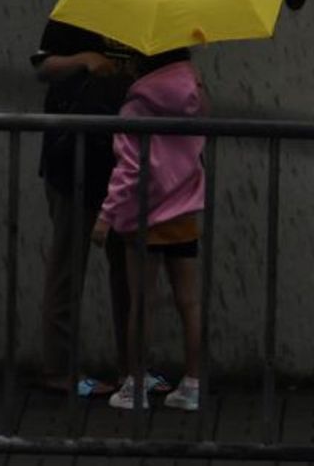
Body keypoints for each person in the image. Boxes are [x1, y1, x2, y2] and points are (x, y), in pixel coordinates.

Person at [91, 48, 208, 411]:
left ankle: (135, 386)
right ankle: (192, 384)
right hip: (184, 212)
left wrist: (105, 216)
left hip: (144, 217)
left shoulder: (135, 106)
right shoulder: (197, 97)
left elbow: (129, 169)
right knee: (189, 303)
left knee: (141, 303)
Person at [32, 21, 134, 397]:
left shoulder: (149, 12)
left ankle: (131, 366)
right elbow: (43, 67)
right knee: (68, 267)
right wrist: (84, 60)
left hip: (125, 163)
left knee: (129, 271)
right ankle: (59, 368)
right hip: (72, 158)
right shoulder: (77, 8)